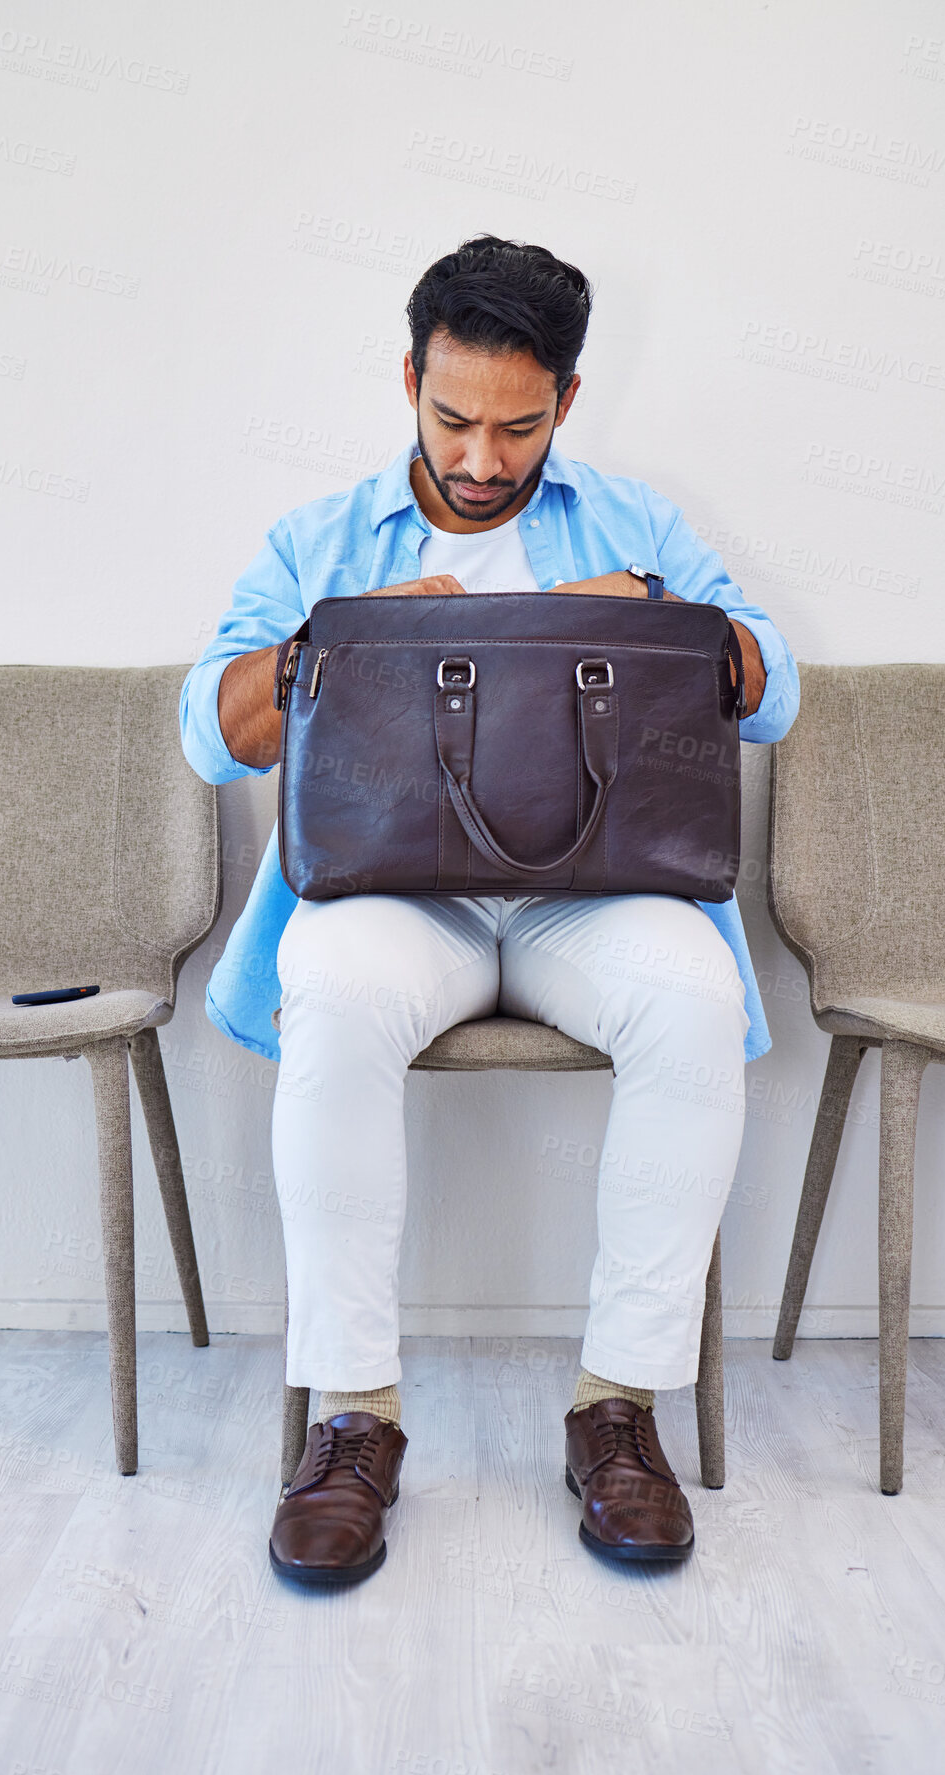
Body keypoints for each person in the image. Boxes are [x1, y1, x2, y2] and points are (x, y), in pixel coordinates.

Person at [180, 234, 800, 1586]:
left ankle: (617, 1410)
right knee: (330, 994)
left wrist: (657, 612)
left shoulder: (636, 523)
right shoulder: (321, 537)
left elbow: (774, 685)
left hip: (597, 897)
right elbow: (210, 737)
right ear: (410, 378)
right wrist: (328, 649)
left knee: (692, 1004)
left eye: (516, 427)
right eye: (452, 417)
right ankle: (353, 1419)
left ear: (565, 404)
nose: (478, 457)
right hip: (398, 899)